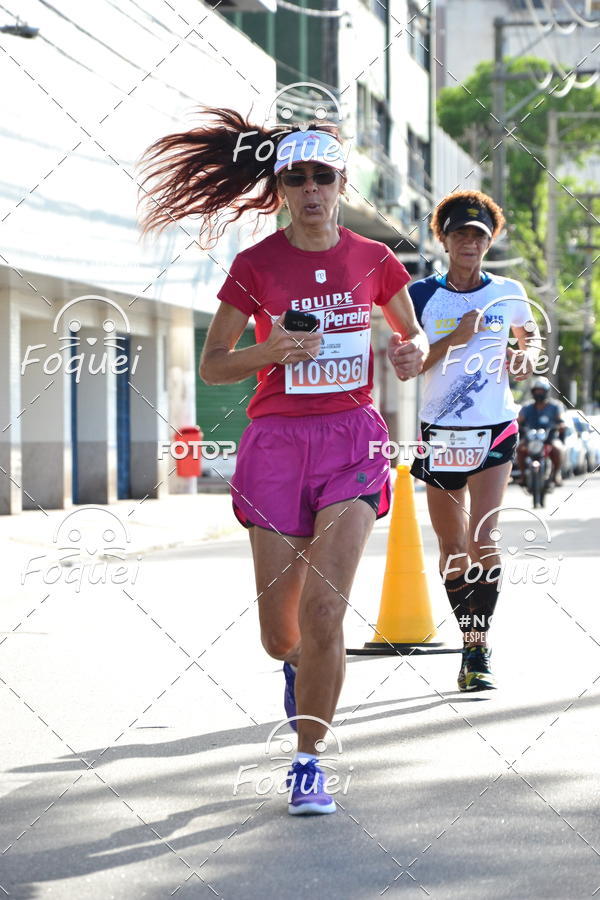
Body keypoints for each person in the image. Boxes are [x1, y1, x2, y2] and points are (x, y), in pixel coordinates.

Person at [137, 109, 427, 814]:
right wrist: (271, 351)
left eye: (322, 176)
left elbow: (411, 338)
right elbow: (213, 366)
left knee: (327, 609)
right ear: (279, 188)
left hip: (352, 441)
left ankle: (308, 762)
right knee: (281, 635)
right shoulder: (255, 266)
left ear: (341, 183)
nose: (310, 190)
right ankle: (299, 672)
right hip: (275, 445)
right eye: (295, 178)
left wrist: (410, 353)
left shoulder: (373, 259)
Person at [405, 190, 541, 691]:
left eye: (479, 235)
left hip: (495, 427)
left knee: (484, 539)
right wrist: (454, 340)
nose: (469, 242)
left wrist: (525, 358)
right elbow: (409, 366)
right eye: (460, 233)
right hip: (439, 433)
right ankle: (469, 634)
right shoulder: (419, 296)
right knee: (452, 547)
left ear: (490, 240)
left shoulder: (508, 290)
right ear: (442, 238)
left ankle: (476, 647)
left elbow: (530, 341)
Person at [517, 376, 565, 486]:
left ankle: (556, 474)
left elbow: (561, 420)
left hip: (549, 438)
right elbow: (519, 421)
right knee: (520, 449)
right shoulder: (527, 407)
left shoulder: (555, 406)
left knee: (558, 449)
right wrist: (516, 426)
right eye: (536, 390)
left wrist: (561, 425)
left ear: (546, 392)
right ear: (533, 392)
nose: (539, 393)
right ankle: (523, 475)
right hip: (531, 439)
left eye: (541, 390)